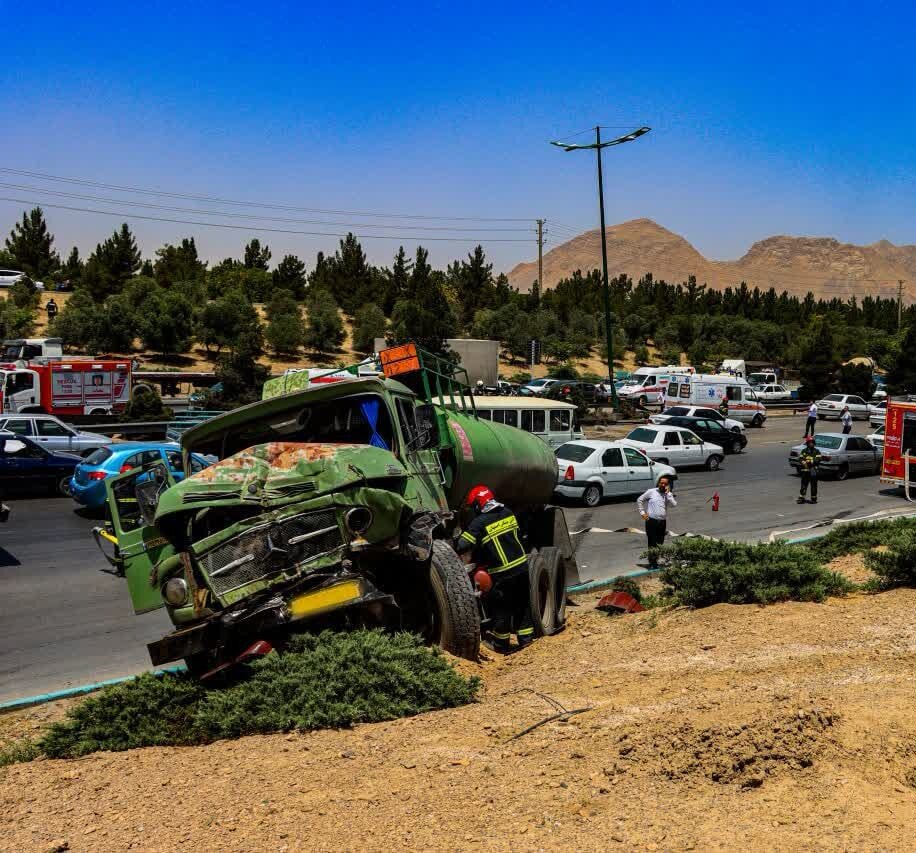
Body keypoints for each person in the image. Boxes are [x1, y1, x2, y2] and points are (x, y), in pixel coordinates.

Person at [456, 485, 532, 653]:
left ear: (478, 504)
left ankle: (501, 645)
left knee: (502, 608)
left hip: (503, 573)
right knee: (522, 604)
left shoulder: (480, 522)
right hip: (522, 566)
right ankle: (526, 640)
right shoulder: (508, 513)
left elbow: (462, 545)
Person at [636, 475, 677, 571]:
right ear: (658, 483)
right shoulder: (652, 491)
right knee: (652, 542)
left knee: (660, 543)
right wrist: (642, 512)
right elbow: (639, 499)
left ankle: (656, 561)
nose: (662, 485)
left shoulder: (668, 495)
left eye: (665, 483)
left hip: (662, 522)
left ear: (668, 485)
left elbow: (674, 505)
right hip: (651, 521)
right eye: (661, 483)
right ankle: (652, 563)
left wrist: (668, 494)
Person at [797, 435, 821, 504]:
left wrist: (811, 462)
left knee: (813, 486)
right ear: (807, 443)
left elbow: (818, 459)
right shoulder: (804, 451)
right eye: (809, 442)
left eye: (812, 442)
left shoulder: (817, 451)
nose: (811, 444)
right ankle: (801, 498)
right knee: (803, 485)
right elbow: (801, 459)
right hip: (805, 471)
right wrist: (804, 463)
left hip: (813, 471)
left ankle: (813, 499)